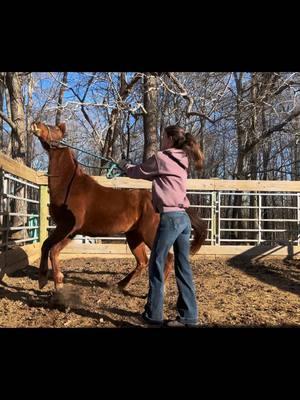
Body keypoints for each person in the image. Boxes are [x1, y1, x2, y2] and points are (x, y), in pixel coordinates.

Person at [118, 125, 204, 328]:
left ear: (170, 139)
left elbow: (137, 172)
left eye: (164, 137)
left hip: (170, 217)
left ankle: (153, 316)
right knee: (183, 267)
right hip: (183, 219)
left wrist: (124, 165)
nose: (162, 141)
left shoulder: (162, 158)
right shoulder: (183, 159)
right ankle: (189, 317)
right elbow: (154, 174)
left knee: (156, 265)